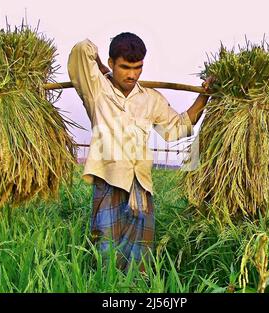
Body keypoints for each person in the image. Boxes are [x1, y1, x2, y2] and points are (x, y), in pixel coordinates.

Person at [67, 32, 212, 272]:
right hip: (108, 181)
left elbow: (177, 129)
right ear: (113, 63)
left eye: (138, 68)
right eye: (125, 67)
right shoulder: (96, 89)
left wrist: (203, 97)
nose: (132, 74)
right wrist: (103, 69)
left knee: (140, 259)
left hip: (140, 187)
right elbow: (82, 49)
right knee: (105, 252)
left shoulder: (150, 99)